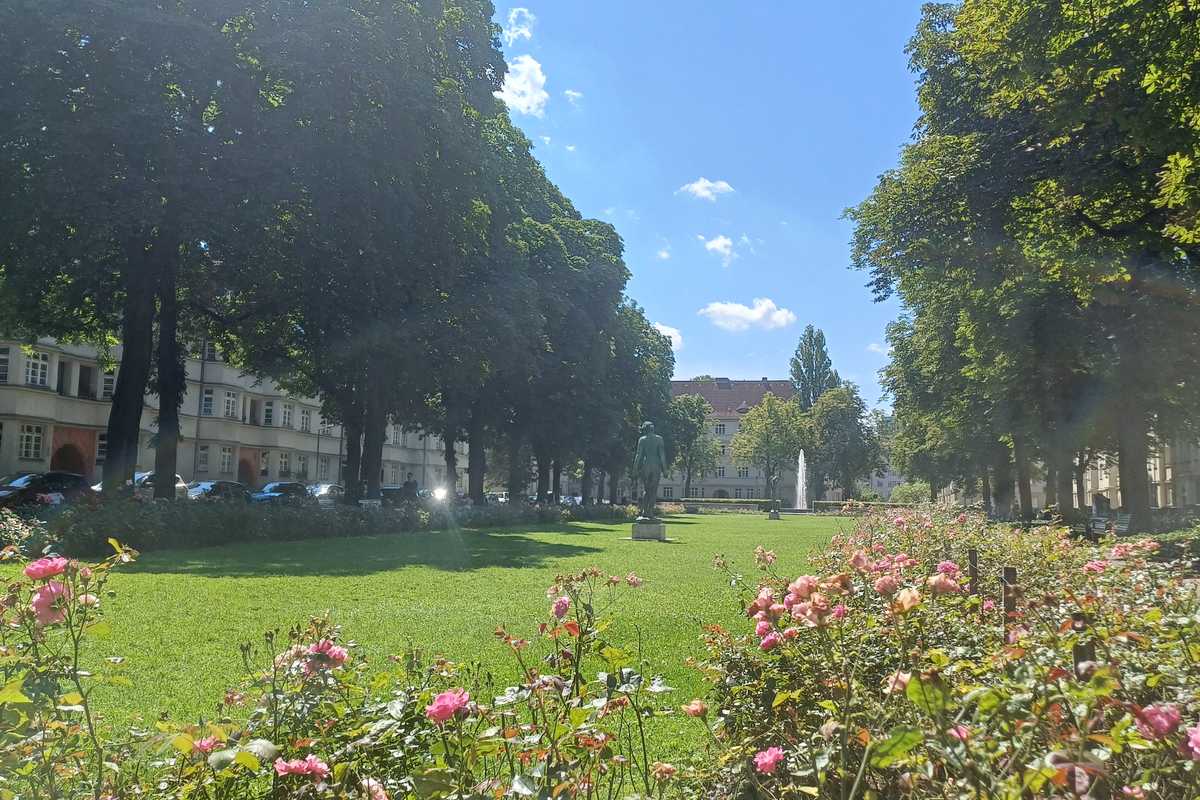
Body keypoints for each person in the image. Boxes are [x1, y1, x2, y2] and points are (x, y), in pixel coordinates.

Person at [633, 421, 668, 520]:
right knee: (653, 490)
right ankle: (650, 512)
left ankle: (644, 512)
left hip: (646, 465)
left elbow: (638, 455)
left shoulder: (642, 440)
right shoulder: (659, 439)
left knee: (647, 490)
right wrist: (665, 469)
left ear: (645, 429)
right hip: (656, 466)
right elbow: (662, 455)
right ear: (652, 429)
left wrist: (634, 469)